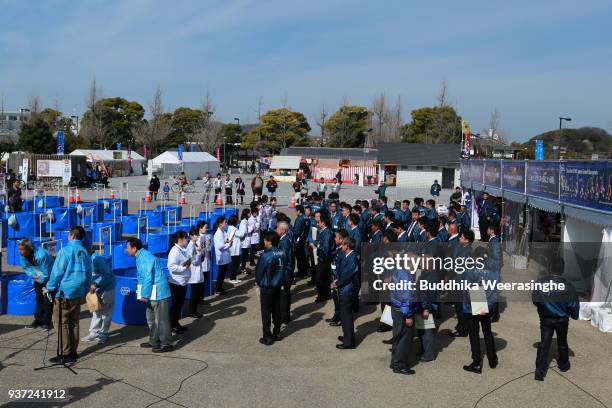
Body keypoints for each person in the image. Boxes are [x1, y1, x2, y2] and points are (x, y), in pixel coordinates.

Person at [43, 226, 92, 363]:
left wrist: (49, 287)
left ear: (71, 236)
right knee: (74, 322)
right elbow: (89, 274)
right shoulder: (85, 252)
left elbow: (57, 272)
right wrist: (86, 290)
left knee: (61, 323)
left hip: (65, 293)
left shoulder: (65, 251)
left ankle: (65, 353)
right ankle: (73, 352)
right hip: (78, 292)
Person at [532, 258, 579, 381]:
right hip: (562, 319)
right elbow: (573, 304)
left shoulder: (540, 282)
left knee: (544, 344)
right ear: (563, 270)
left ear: (549, 268)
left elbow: (536, 300)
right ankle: (563, 365)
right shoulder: (569, 286)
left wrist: (543, 309)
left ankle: (540, 369)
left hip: (546, 319)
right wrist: (573, 315)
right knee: (562, 343)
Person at [127, 238, 174, 353]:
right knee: (151, 319)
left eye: (127, 247)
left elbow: (148, 277)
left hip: (158, 293)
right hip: (152, 292)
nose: (126, 250)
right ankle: (154, 340)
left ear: (134, 248)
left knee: (161, 320)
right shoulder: (140, 256)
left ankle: (166, 343)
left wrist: (145, 294)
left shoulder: (144, 257)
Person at [461, 247, 500, 374]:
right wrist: (488, 305)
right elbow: (496, 290)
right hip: (487, 302)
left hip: (475, 301)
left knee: (474, 333)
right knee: (487, 331)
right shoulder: (494, 270)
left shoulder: (472, 269)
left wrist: (476, 305)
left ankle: (477, 362)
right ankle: (492, 359)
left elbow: (467, 287)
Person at [389, 255, 418, 375]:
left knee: (397, 336)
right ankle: (399, 365)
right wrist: (409, 316)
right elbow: (406, 297)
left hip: (395, 307)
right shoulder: (406, 276)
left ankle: (394, 361)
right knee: (404, 339)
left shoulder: (398, 270)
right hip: (403, 311)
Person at [255, 231, 285, 345]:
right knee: (277, 310)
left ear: (269, 242)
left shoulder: (266, 255)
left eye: (265, 240)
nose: (264, 241)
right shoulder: (282, 252)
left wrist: (259, 282)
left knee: (266, 312)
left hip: (267, 287)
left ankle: (267, 336)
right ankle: (276, 333)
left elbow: (259, 273)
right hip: (278, 285)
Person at [19, 239, 54, 330]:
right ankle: (38, 320)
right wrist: (34, 276)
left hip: (48, 279)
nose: (20, 251)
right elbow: (26, 267)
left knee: (47, 300)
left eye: (22, 249)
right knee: (39, 299)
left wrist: (40, 279)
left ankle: (47, 322)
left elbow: (47, 272)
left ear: (29, 249)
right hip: (37, 278)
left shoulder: (42, 255)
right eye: (19, 249)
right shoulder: (23, 255)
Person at [82, 254, 116, 344]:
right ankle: (94, 332)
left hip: (107, 288)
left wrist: (96, 283)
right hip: (95, 290)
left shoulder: (97, 259)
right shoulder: (82, 258)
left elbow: (107, 275)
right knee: (96, 311)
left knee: (106, 313)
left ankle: (103, 334)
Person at [333, 237, 360, 350]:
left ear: (347, 246)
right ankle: (347, 336)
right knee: (345, 316)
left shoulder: (353, 257)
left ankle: (349, 342)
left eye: (343, 244)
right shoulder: (347, 255)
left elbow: (347, 274)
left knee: (346, 316)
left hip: (348, 290)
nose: (341, 246)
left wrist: (337, 283)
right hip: (345, 288)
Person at [167, 231, 191, 334]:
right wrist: (183, 267)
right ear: (180, 240)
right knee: (176, 305)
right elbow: (171, 266)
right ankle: (173, 325)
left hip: (182, 281)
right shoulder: (175, 251)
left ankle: (175, 324)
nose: (187, 240)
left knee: (179, 304)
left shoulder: (182, 250)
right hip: (176, 283)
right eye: (185, 238)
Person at [312, 214, 334, 302]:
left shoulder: (327, 233)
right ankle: (326, 294)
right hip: (324, 258)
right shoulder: (324, 231)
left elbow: (326, 247)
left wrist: (322, 258)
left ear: (323, 223)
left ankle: (321, 296)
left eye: (319, 222)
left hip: (324, 258)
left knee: (319, 279)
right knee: (325, 278)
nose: (318, 223)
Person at [277, 221, 294, 324]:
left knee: (283, 295)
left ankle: (284, 317)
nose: (276, 229)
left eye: (278, 228)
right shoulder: (285, 238)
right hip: (288, 270)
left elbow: (282, 259)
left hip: (285, 272)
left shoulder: (284, 241)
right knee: (286, 294)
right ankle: (286, 315)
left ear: (283, 230)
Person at [186, 228, 205, 318]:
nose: (197, 236)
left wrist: (199, 252)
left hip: (197, 272)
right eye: (195, 235)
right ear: (191, 236)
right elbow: (194, 261)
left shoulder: (195, 244)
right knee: (194, 293)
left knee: (196, 293)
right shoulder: (190, 246)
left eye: (197, 235)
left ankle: (194, 310)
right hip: (193, 273)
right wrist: (199, 252)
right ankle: (192, 311)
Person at [214, 216, 232, 295]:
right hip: (221, 256)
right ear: (220, 224)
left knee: (223, 273)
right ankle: (218, 289)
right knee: (221, 273)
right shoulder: (218, 234)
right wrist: (228, 244)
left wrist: (228, 242)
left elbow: (226, 240)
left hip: (225, 255)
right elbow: (220, 246)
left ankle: (219, 287)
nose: (226, 224)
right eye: (225, 222)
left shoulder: (223, 232)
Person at [197, 222, 212, 305]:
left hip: (206, 262)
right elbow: (198, 251)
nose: (206, 229)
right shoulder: (198, 238)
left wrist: (208, 245)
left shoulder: (207, 236)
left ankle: (201, 299)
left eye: (207, 227)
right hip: (201, 264)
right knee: (200, 283)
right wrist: (205, 246)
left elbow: (209, 249)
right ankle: (199, 300)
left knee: (204, 281)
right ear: (200, 228)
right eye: (205, 227)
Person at [226, 215, 242, 284]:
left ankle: (234, 277)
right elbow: (241, 234)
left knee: (235, 264)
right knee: (235, 264)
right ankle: (232, 278)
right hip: (234, 249)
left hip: (233, 249)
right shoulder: (234, 229)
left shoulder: (229, 228)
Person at [238, 208, 252, 274]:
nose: (250, 214)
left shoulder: (245, 221)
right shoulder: (244, 222)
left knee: (245, 256)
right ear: (246, 214)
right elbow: (243, 232)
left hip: (246, 241)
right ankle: (243, 268)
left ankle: (243, 268)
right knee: (244, 256)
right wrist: (251, 229)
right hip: (244, 242)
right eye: (249, 213)